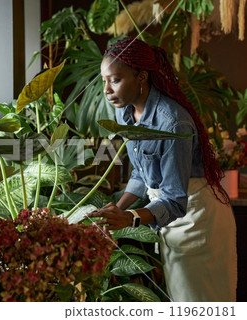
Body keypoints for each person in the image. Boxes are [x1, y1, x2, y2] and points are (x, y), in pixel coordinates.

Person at [88, 37, 237, 302]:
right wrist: (117, 210)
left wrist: (129, 218)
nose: (107, 90)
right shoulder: (126, 113)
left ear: (141, 77)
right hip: (168, 220)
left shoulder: (172, 123)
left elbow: (175, 200)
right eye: (104, 80)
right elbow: (141, 175)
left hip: (196, 218)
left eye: (115, 80)